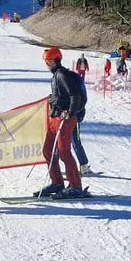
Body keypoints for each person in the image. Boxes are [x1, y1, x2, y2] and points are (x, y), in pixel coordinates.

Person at [36, 47, 86, 198]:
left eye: (47, 61)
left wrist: (69, 112)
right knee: (47, 150)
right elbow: (62, 95)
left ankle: (75, 187)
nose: (46, 64)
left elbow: (75, 96)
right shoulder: (57, 75)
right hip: (55, 118)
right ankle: (57, 183)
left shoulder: (63, 75)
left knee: (64, 152)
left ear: (53, 60)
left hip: (65, 118)